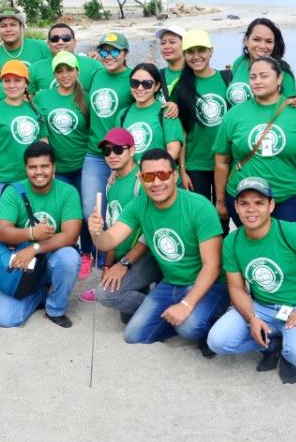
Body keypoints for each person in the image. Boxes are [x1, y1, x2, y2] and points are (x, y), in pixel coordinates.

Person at [207, 177, 296, 383]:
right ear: (235, 206)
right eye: (244, 203)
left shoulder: (290, 231)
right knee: (217, 341)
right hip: (262, 305)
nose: (251, 209)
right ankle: (273, 344)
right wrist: (252, 317)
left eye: (259, 202)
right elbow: (236, 288)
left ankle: (287, 353)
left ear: (271, 205)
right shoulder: (232, 242)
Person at [89, 148, 227, 349]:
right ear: (141, 177)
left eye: (163, 175)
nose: (156, 183)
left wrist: (186, 304)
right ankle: (169, 313)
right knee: (133, 335)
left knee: (189, 328)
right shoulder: (139, 204)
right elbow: (109, 241)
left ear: (175, 175)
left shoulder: (199, 206)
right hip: (171, 282)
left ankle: (211, 316)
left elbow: (212, 265)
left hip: (209, 284)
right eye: (149, 176)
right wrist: (97, 233)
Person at [213, 56, 296, 228]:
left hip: (288, 197)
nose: (257, 81)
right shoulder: (234, 115)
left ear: (279, 78)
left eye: (264, 76)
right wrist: (221, 201)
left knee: (291, 250)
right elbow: (222, 161)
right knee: (254, 252)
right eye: (253, 76)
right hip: (245, 198)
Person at [0, 142, 82, 328]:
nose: (39, 172)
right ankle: (40, 293)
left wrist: (35, 247)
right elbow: (2, 232)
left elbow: (70, 236)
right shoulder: (13, 192)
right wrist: (31, 233)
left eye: (45, 166)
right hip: (23, 264)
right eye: (33, 167)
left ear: (54, 167)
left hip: (49, 259)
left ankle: (55, 308)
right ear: (25, 168)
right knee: (4, 320)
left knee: (70, 257)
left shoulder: (68, 192)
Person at [78, 128, 157, 315]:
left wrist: (123, 264)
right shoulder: (111, 183)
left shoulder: (142, 181)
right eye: (107, 151)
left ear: (132, 151)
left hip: (144, 256)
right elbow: (112, 228)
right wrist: (107, 266)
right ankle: (148, 298)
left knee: (106, 295)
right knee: (126, 316)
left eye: (118, 150)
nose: (112, 155)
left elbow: (149, 231)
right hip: (123, 256)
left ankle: (160, 306)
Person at [81, 32, 134, 272]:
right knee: (91, 208)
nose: (108, 56)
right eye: (103, 51)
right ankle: (95, 255)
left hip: (121, 154)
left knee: (118, 209)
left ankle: (109, 262)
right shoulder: (95, 74)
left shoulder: (133, 78)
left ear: (125, 54)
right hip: (95, 152)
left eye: (114, 51)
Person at [0, 60, 47, 207]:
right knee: (5, 224)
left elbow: (44, 144)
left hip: (33, 177)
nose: (12, 85)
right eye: (6, 81)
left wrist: (49, 174)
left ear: (26, 84)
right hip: (4, 179)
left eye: (17, 80)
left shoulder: (35, 110)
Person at [172, 29, 228, 201]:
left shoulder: (227, 79)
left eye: (201, 50)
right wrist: (182, 170)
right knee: (200, 218)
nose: (196, 56)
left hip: (226, 162)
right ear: (184, 55)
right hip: (195, 165)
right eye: (190, 52)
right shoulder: (180, 87)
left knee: (222, 215)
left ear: (211, 51)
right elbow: (181, 132)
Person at [34, 51, 90, 188]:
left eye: (69, 70)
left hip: (84, 166)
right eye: (59, 71)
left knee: (87, 207)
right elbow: (39, 130)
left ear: (77, 71)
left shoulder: (87, 98)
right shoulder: (42, 97)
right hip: (57, 168)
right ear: (54, 74)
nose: (65, 75)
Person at [225, 18, 296, 105]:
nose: (262, 46)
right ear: (246, 40)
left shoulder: (283, 72)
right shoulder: (240, 62)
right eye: (256, 39)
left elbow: (291, 109)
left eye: (268, 41)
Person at [121, 63, 184, 166]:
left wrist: (150, 170)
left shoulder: (167, 111)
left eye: (147, 84)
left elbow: (174, 150)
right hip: (132, 177)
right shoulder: (123, 115)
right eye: (135, 83)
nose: (140, 88)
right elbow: (120, 149)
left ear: (157, 86)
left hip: (158, 176)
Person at [29, 23, 103, 91]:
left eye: (66, 38)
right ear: (48, 44)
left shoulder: (93, 65)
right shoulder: (35, 68)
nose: (60, 42)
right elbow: (29, 98)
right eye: (55, 39)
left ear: (74, 42)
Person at [0, 9, 51, 82]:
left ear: (21, 27)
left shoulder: (42, 48)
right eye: (3, 26)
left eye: (13, 25)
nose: (8, 29)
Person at [155, 25, 186, 93]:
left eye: (172, 42)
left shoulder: (195, 74)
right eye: (163, 43)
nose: (166, 46)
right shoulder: (156, 75)